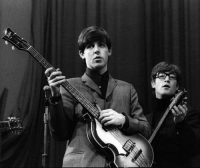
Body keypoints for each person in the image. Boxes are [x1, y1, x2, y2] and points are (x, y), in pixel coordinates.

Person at [44, 26, 151, 167]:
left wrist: (124, 120)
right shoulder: (69, 86)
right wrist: (56, 96)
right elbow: (60, 134)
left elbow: (146, 129)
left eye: (101, 45)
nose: (96, 50)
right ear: (82, 54)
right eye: (90, 46)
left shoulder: (127, 89)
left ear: (109, 51)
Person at [148, 61, 200, 168]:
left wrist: (181, 124)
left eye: (172, 77)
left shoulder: (188, 113)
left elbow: (194, 149)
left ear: (177, 87)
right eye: (162, 76)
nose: (167, 79)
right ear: (153, 83)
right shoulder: (146, 119)